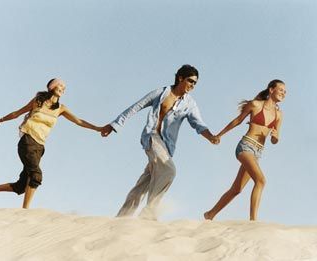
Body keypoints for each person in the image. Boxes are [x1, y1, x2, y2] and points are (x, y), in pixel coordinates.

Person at [101, 64, 218, 220]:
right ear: (180, 78)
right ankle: (149, 214)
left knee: (144, 183)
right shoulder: (161, 93)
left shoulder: (189, 103)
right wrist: (115, 124)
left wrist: (210, 136)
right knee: (169, 171)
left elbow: (198, 123)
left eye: (195, 83)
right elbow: (136, 107)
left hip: (166, 146)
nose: (192, 85)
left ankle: (122, 217)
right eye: (190, 81)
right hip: (152, 137)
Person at [0, 78, 102, 209]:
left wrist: (98, 128)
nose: (63, 87)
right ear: (52, 87)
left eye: (64, 87)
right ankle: (25, 210)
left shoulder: (60, 109)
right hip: (27, 141)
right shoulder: (38, 101)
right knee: (36, 176)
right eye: (60, 85)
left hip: (39, 147)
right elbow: (17, 113)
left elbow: (79, 121)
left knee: (22, 185)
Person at [204, 79, 286, 221]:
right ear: (271, 90)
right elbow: (237, 120)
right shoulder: (255, 105)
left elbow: (275, 139)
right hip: (245, 146)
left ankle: (210, 214)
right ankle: (253, 221)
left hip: (257, 152)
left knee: (237, 189)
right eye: (281, 90)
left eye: (285, 92)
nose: (283, 93)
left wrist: (275, 137)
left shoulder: (279, 115)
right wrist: (219, 135)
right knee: (261, 181)